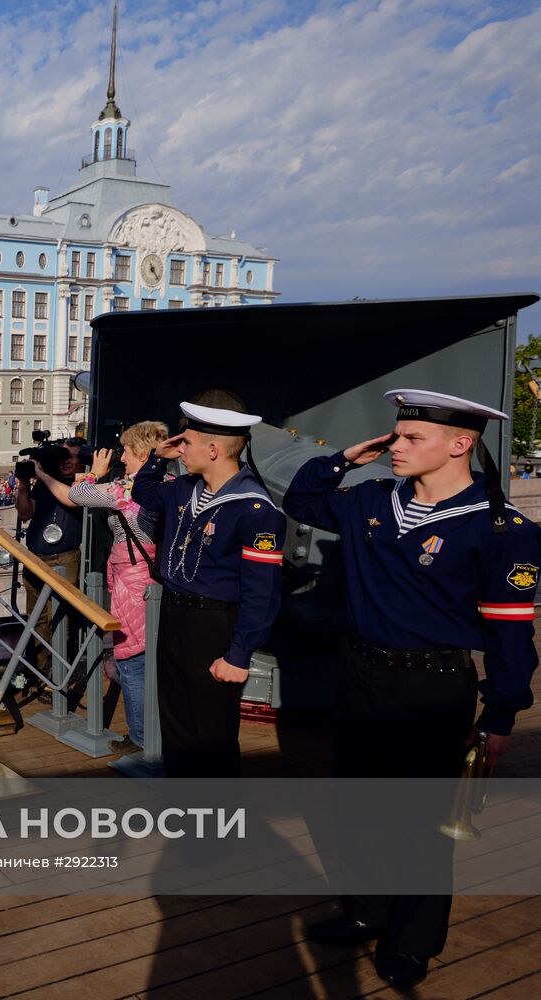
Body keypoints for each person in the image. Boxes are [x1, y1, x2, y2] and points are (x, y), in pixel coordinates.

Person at [285, 389, 540, 989]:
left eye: (411, 438)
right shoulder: (373, 500)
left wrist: (501, 713)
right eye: (395, 435)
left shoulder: (502, 529)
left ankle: (414, 938)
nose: (396, 447)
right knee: (359, 808)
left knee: (422, 824)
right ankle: (367, 910)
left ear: (461, 444)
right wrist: (346, 457)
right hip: (358, 675)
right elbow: (303, 498)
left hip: (432, 687)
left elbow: (510, 635)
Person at [131, 400, 285, 778]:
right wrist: (157, 458)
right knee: (177, 725)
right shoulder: (184, 489)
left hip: (214, 624)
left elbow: (261, 594)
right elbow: (143, 495)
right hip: (175, 616)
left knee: (211, 734)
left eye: (187, 442)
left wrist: (239, 654)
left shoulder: (255, 509)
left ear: (213, 450)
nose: (180, 448)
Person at [36, 421, 170, 754]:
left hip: (133, 584)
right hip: (152, 579)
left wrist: (94, 470)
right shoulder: (168, 484)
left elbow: (78, 495)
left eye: (126, 450)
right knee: (146, 661)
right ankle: (157, 733)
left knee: (131, 663)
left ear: (141, 452)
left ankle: (141, 741)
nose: (122, 457)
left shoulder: (130, 492)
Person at [15, 439, 84, 682]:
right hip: (36, 558)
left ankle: (59, 674)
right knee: (36, 617)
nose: (66, 461)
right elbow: (25, 513)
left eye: (73, 456)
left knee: (59, 618)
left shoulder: (82, 484)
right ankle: (39, 670)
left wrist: (42, 475)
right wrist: (24, 483)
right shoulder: (46, 483)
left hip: (64, 558)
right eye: (63, 456)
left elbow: (73, 499)